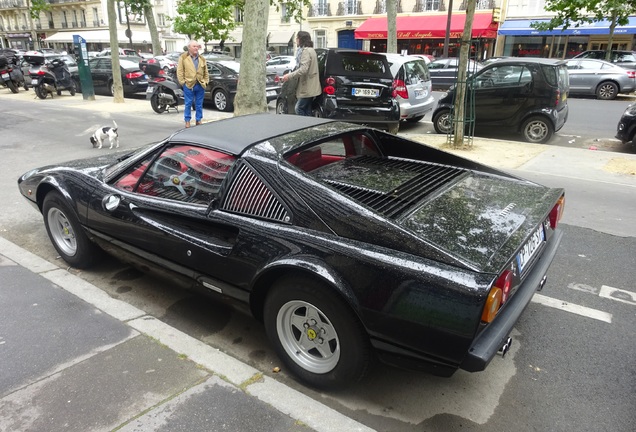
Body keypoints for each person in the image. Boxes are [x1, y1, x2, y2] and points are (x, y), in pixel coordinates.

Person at [281, 31, 321, 116]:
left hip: (307, 87)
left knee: (298, 108)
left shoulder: (305, 51)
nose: (296, 40)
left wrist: (289, 76)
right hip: (311, 87)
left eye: (297, 38)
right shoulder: (312, 50)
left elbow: (303, 69)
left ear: (301, 39)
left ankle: (305, 126)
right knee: (307, 109)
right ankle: (310, 127)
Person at [177, 41, 209, 128]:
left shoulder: (202, 58)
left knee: (199, 104)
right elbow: (180, 71)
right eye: (194, 46)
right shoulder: (183, 57)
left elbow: (206, 72)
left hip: (200, 84)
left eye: (197, 46)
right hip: (189, 84)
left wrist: (205, 81)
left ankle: (198, 120)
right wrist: (183, 83)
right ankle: (187, 120)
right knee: (188, 103)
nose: (196, 48)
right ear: (189, 48)